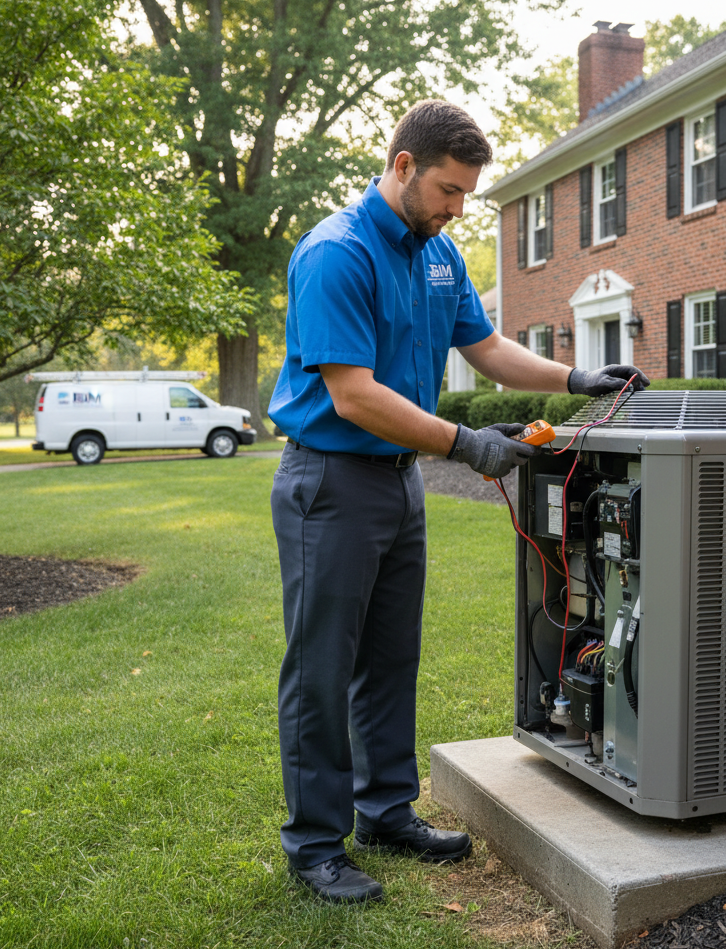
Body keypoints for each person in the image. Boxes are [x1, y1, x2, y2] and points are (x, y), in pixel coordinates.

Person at [268, 99, 647, 905]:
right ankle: (314, 846)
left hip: (398, 484)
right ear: (403, 166)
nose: (456, 209)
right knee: (322, 666)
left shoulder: (439, 257)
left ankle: (385, 812)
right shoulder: (336, 253)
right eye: (447, 190)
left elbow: (488, 348)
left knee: (390, 657)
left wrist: (577, 378)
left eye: (466, 194)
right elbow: (353, 396)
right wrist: (465, 443)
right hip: (329, 484)